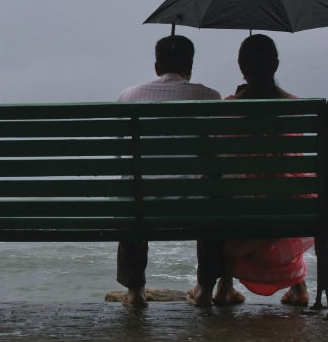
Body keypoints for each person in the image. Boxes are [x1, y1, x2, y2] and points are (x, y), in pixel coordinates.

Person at [200, 34, 313, 306]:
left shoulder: (227, 108)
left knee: (229, 195)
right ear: (275, 65)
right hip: (289, 205)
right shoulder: (295, 106)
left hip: (241, 205)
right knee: (286, 189)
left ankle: (224, 287)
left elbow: (217, 159)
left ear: (241, 67)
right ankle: (299, 289)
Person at [116, 35, 221, 307]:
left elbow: (120, 157)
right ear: (190, 68)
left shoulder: (128, 97)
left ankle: (135, 291)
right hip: (195, 206)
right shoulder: (211, 98)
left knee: (132, 194)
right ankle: (205, 289)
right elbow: (216, 159)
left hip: (141, 205)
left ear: (156, 67)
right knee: (214, 196)